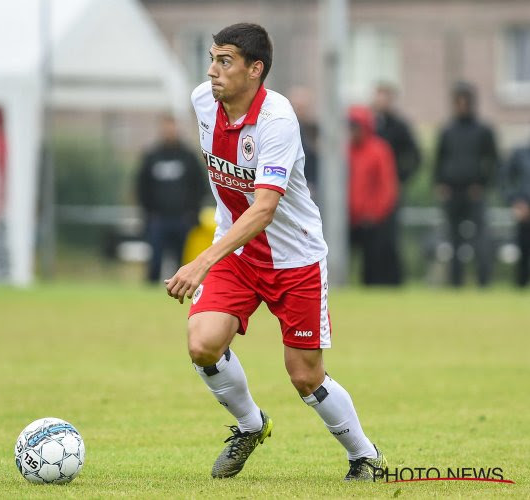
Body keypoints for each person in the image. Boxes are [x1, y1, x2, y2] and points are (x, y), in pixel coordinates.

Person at [164, 23, 386, 481]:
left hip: (294, 260)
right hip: (238, 256)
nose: (212, 72)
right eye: (211, 59)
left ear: (255, 70)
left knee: (304, 375)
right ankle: (250, 426)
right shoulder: (203, 101)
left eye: (225, 61)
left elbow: (264, 209)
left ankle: (364, 456)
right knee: (203, 344)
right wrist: (216, 257)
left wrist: (201, 260)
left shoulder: (279, 120)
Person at [434, 82, 499, 287]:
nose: (461, 106)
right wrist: (440, 184)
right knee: (453, 240)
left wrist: (482, 184)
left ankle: (483, 281)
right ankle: (455, 282)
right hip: (452, 192)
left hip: (474, 192)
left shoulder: (483, 130)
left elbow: (494, 161)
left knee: (481, 238)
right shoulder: (447, 131)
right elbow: (439, 160)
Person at [136, 115, 206, 283]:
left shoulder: (188, 156)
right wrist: (148, 213)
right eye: (166, 128)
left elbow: (201, 186)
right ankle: (150, 294)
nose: (169, 131)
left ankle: (177, 289)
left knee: (181, 262)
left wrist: (193, 213)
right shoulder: (152, 156)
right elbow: (141, 187)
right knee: (155, 260)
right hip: (158, 219)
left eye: (172, 127)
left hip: (182, 219)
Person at [371, 82, 422, 284]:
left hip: (390, 189)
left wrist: (400, 177)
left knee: (390, 236)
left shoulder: (399, 127)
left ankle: (393, 280)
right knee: (372, 238)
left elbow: (415, 156)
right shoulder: (370, 124)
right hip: (371, 191)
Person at [348, 105, 399, 285]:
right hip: (350, 218)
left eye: (355, 127)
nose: (352, 131)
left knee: (373, 265)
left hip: (373, 219)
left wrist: (375, 213)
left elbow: (387, 187)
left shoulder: (379, 150)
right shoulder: (344, 150)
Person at [503, 135, 530, 287]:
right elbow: (505, 179)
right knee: (523, 250)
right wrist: (515, 201)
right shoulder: (520, 153)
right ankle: (521, 285)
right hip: (524, 210)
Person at [288, 86, 320, 200]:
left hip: (309, 184)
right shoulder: (286, 128)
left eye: (301, 107)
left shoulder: (314, 129)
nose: (298, 110)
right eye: (296, 106)